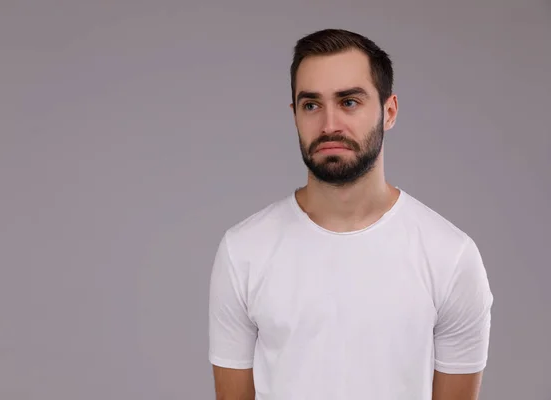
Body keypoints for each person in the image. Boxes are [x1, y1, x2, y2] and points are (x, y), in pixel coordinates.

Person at [208, 28, 494, 400]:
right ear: (294, 115)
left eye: (349, 102)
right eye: (311, 105)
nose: (329, 125)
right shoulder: (243, 251)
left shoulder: (451, 257)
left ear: (388, 112)